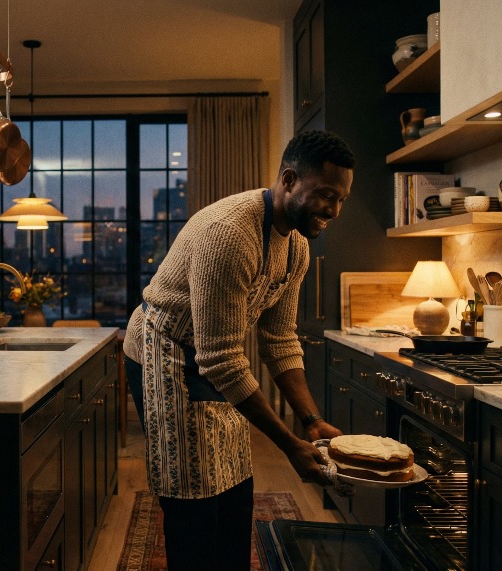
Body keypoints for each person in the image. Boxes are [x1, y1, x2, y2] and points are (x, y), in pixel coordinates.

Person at [122, 129, 355, 571]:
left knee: (232, 482)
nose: (334, 210)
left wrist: (312, 421)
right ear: (289, 180)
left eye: (341, 199)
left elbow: (279, 338)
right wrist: (288, 444)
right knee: (192, 494)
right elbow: (222, 358)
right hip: (164, 350)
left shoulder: (296, 247)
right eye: (326, 195)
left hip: (214, 353)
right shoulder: (229, 233)